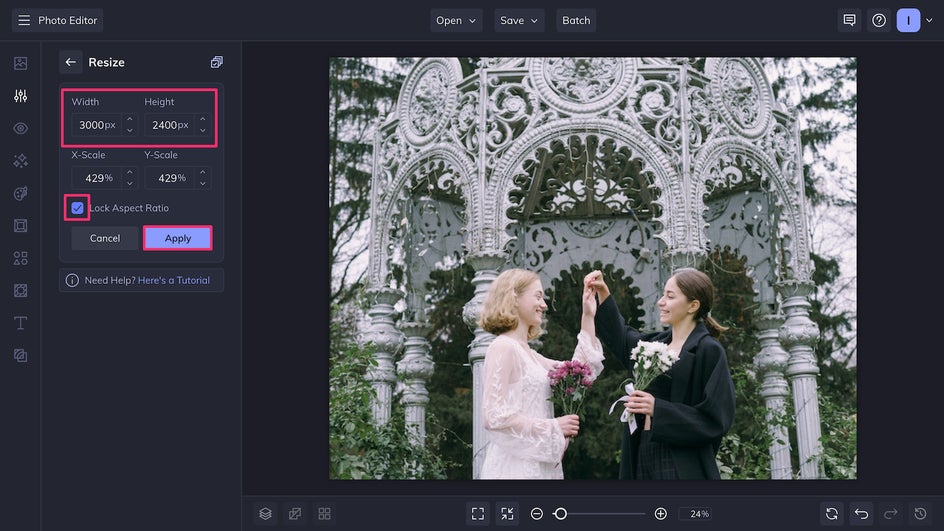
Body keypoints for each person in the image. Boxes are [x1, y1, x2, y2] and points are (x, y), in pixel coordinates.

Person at [584, 267, 735, 480]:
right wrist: (603, 293)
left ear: (693, 306)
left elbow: (716, 420)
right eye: (663, 294)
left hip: (679, 461)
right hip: (642, 451)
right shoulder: (655, 345)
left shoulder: (708, 350)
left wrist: (658, 409)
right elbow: (621, 337)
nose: (661, 302)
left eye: (670, 296)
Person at [478, 268, 604, 479]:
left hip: (539, 467)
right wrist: (553, 426)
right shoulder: (503, 347)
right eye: (537, 296)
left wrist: (588, 315)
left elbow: (580, 372)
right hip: (514, 468)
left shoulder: (530, 355)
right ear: (514, 298)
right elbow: (493, 416)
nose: (544, 305)